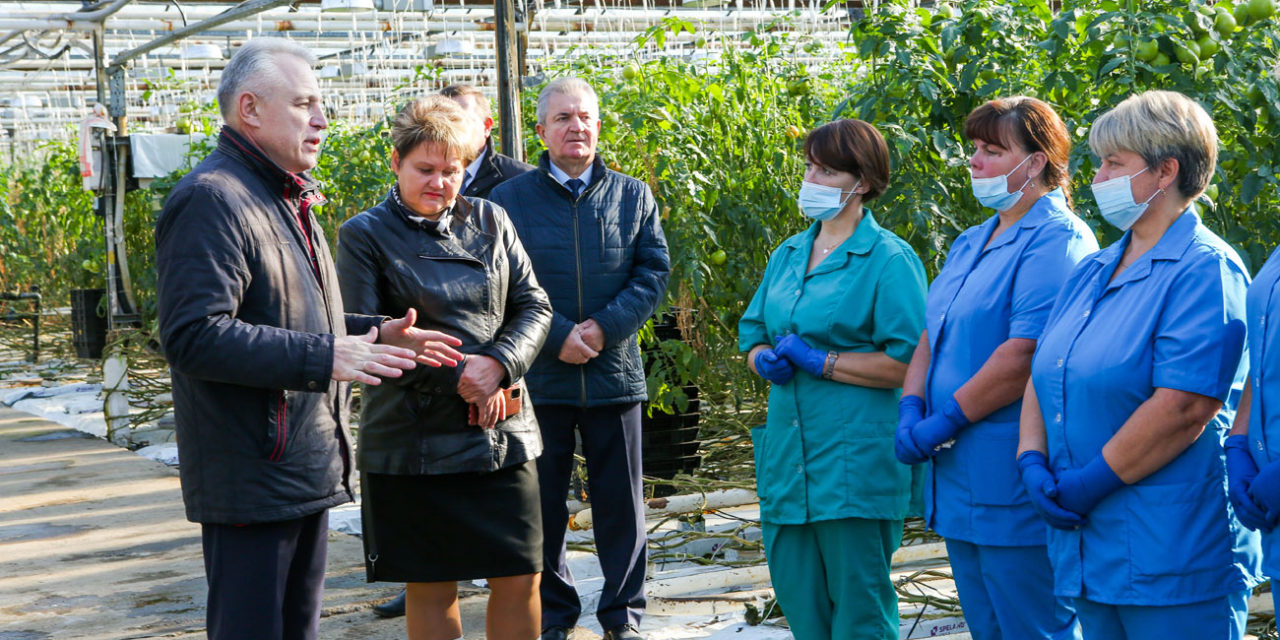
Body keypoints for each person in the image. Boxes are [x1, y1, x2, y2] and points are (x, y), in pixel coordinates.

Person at [155, 38, 463, 640]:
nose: (322, 119)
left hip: (298, 463)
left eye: (320, 104)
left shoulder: (282, 196)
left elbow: (297, 317)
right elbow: (193, 335)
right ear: (250, 109)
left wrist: (375, 333)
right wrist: (328, 356)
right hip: (253, 473)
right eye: (304, 104)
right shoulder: (213, 199)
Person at [1017, 90, 1263, 640]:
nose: (1098, 175)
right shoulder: (1095, 268)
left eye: (1114, 163)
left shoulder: (1205, 269)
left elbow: (1183, 405)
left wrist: (1090, 482)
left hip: (1170, 549)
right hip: (1089, 547)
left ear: (1165, 171)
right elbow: (1045, 367)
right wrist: (1032, 458)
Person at [335, 96, 553, 640]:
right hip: (414, 440)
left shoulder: (491, 220)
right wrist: (464, 378)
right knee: (431, 583)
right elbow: (362, 332)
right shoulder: (364, 235)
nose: (439, 183)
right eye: (424, 170)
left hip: (503, 431)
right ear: (396, 163)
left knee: (520, 574)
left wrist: (499, 365)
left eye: (451, 172)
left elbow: (534, 306)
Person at [895, 97, 1096, 640]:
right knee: (986, 625)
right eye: (974, 149)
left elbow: (1023, 353)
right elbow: (931, 334)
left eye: (991, 150)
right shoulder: (973, 239)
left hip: (1006, 472)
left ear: (1034, 162)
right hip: (958, 478)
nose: (975, 162)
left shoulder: (1058, 239)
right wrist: (912, 406)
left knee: (1032, 624)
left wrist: (946, 419)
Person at [488, 77, 670, 640]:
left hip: (614, 374)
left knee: (624, 505)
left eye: (586, 116)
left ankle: (623, 615)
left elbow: (653, 272)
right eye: (563, 117)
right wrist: (558, 333)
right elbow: (503, 284)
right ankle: (556, 614)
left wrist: (605, 328)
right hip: (541, 377)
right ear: (541, 132)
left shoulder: (633, 195)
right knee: (542, 507)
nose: (577, 126)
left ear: (598, 125)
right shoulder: (508, 202)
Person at [739, 119, 927, 640]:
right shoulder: (789, 254)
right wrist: (761, 359)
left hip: (853, 465)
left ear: (861, 182)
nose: (811, 179)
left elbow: (909, 363)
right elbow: (753, 331)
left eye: (826, 170)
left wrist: (822, 362)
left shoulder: (889, 259)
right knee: (802, 606)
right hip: (788, 463)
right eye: (809, 167)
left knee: (859, 613)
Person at [442, 83, 535, 199]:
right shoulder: (420, 178)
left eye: (462, 120)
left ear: (487, 127)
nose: (453, 128)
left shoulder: (524, 181)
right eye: (443, 122)